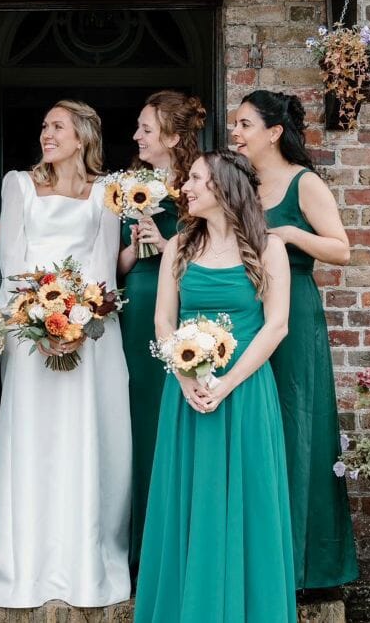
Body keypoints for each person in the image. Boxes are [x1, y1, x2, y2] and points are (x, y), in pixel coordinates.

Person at [0, 100, 132, 607]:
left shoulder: (106, 192)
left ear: (82, 136)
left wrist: (81, 323)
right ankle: (26, 564)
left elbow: (105, 268)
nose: (46, 133)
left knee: (88, 437)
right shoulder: (19, 184)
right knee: (33, 439)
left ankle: (86, 563)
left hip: (90, 337)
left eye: (57, 126)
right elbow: (13, 262)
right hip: (29, 333)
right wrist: (36, 324)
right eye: (43, 126)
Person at [135, 150, 295, 622]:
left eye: (197, 179)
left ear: (224, 187)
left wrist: (225, 384)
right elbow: (164, 319)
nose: (186, 187)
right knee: (189, 503)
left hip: (244, 392)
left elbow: (276, 326)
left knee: (251, 507)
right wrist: (186, 378)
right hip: (187, 395)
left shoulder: (269, 248)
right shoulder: (180, 245)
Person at [233, 90, 358, 591]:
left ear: (273, 132)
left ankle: (302, 567)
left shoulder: (304, 184)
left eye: (244, 124)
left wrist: (287, 234)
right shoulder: (241, 183)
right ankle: (256, 557)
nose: (235, 133)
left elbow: (341, 249)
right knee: (253, 430)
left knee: (296, 426)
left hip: (294, 316)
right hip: (247, 315)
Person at [117, 90, 206, 580]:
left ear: (172, 137)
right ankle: (139, 550)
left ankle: (179, 542)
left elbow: (216, 251)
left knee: (171, 417)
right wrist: (134, 245)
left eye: (146, 129)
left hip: (182, 301)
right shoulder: (135, 187)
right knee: (137, 420)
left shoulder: (201, 184)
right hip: (138, 304)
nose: (136, 137)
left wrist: (168, 241)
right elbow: (121, 263)